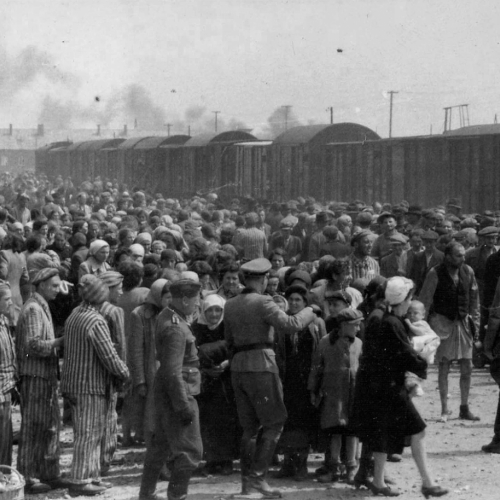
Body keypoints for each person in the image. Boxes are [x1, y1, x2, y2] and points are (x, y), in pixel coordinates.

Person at [224, 258, 317, 498]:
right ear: (264, 279)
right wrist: (310, 310)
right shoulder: (264, 301)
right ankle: (258, 479)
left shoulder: (230, 304)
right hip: (262, 366)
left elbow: (229, 340)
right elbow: (291, 324)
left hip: (238, 367)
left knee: (249, 428)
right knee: (274, 422)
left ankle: (247, 484)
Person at [351, 277, 448, 498]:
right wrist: (423, 361)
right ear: (403, 299)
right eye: (409, 298)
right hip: (390, 389)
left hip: (378, 387)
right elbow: (405, 354)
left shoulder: (383, 318)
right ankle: (427, 483)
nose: (410, 302)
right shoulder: (392, 323)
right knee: (418, 430)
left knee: (381, 433)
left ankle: (378, 481)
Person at [62, 275, 129, 497]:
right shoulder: (95, 321)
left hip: (73, 383)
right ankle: (80, 480)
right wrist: (125, 373)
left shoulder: (75, 314)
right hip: (90, 386)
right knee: (89, 435)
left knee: (86, 432)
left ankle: (91, 476)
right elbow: (109, 356)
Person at [138, 279, 203, 500]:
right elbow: (173, 371)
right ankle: (176, 496)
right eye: (196, 299)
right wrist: (183, 406)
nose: (198, 303)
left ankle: (146, 494)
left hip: (167, 390)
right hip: (179, 391)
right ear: (184, 300)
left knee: (160, 445)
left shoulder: (168, 315)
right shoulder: (176, 327)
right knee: (190, 451)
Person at [16, 268, 69, 494]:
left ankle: (49, 472)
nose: (58, 289)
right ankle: (28, 476)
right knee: (34, 428)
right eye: (54, 285)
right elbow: (32, 345)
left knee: (49, 426)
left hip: (44, 376)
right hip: (35, 377)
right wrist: (60, 342)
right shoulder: (33, 310)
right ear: (42, 285)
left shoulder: (41, 306)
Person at [419, 242, 480, 423]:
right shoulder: (434, 273)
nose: (463, 259)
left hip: (463, 324)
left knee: (467, 366)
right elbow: (425, 301)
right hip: (442, 324)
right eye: (458, 256)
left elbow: (475, 300)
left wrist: (475, 325)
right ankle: (444, 409)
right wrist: (424, 330)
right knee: (444, 366)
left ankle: (464, 407)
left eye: (463, 255)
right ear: (447, 256)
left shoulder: (468, 271)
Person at [274, 284, 323, 482]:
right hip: (288, 380)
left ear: (305, 303)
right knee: (287, 421)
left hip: (306, 380)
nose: (294, 303)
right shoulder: (282, 323)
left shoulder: (316, 322)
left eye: (298, 300)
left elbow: (321, 352)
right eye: (291, 299)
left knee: (304, 422)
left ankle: (301, 465)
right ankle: (288, 463)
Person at [309, 308, 363, 484]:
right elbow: (316, 367)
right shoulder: (326, 342)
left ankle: (351, 468)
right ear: (344, 325)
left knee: (352, 431)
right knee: (335, 431)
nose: (358, 328)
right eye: (355, 325)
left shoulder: (358, 343)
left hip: (353, 393)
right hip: (333, 394)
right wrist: (313, 390)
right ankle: (334, 468)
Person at [193, 294, 239, 476]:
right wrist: (206, 369)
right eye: (209, 310)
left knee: (227, 419)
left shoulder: (229, 326)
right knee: (208, 420)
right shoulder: (196, 328)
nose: (213, 314)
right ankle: (211, 460)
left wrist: (226, 364)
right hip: (206, 381)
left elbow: (236, 349)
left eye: (217, 310)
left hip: (226, 379)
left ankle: (227, 461)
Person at [404, 300, 441, 397]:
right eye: (409, 313)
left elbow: (420, 332)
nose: (412, 315)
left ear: (423, 315)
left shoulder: (421, 323)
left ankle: (416, 386)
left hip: (424, 348)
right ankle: (415, 386)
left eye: (415, 313)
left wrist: (410, 325)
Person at [0, 282, 16, 466]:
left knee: (6, 441)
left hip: (6, 390)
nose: (11, 303)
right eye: (6, 299)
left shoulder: (4, 322)